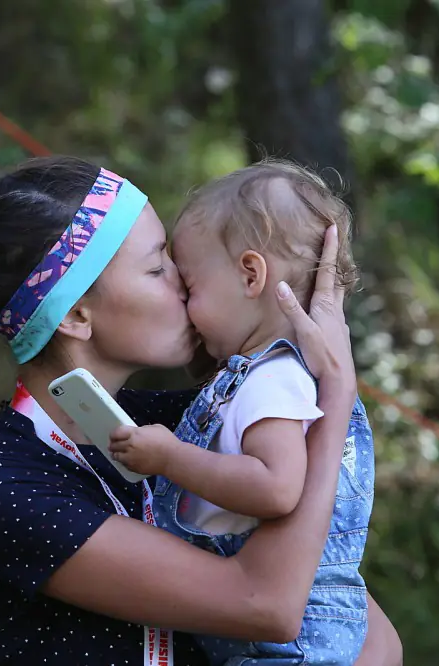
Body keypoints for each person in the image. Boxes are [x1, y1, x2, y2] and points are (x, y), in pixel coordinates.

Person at [0, 156, 402, 665]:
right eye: (158, 268)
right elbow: (268, 605)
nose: (185, 281)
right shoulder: (4, 491)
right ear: (75, 315)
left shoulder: (193, 422)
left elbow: (357, 630)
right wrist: (334, 391)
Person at [107, 159, 379, 666]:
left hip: (288, 651)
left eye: (192, 288)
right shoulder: (267, 380)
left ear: (251, 275)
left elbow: (275, 487)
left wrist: (169, 458)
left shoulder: (271, 382)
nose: (183, 303)